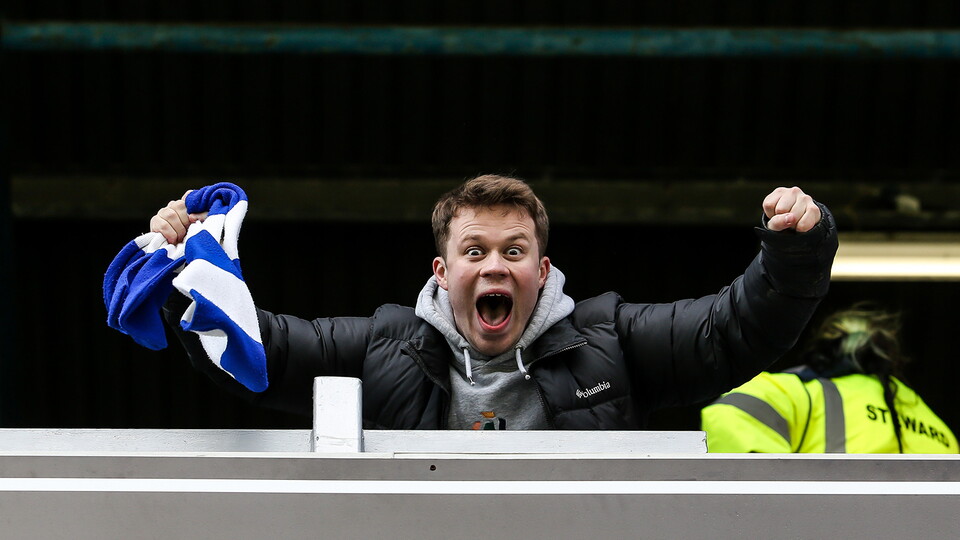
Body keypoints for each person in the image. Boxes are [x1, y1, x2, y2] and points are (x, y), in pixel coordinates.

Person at [152, 174, 838, 430]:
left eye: (513, 253)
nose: (493, 267)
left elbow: (734, 330)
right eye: (474, 252)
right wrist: (183, 271)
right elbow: (255, 351)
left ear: (542, 271)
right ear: (442, 271)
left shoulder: (612, 340)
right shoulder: (380, 348)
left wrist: (796, 247)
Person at [701, 303, 958, 453]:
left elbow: (731, 415)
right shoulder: (932, 420)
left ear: (824, 346)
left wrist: (783, 501)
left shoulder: (801, 390)